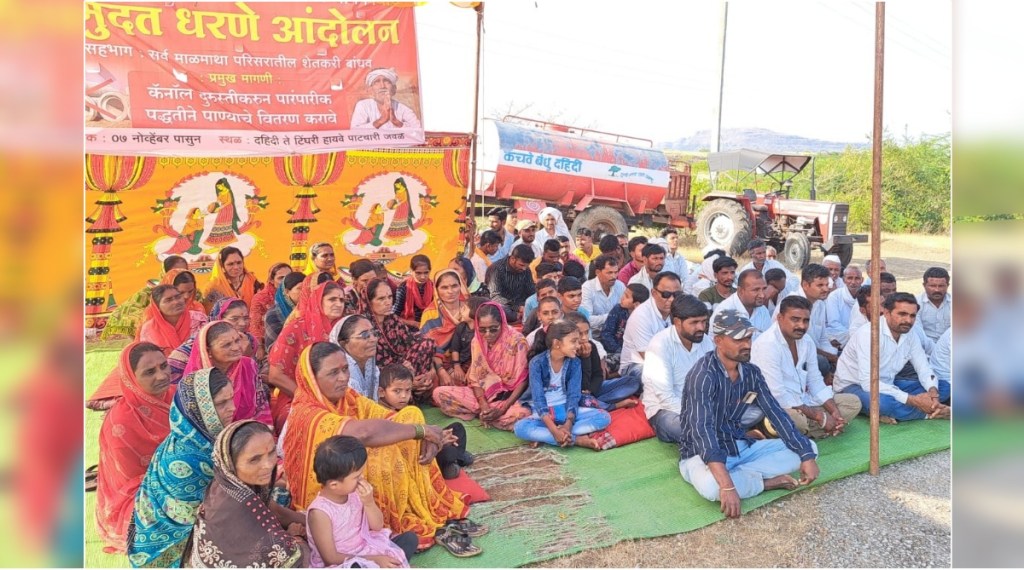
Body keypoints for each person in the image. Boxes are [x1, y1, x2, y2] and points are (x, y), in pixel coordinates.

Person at [283, 342, 480, 553]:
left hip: (354, 466)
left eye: (344, 369)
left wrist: (429, 436)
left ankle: (419, 503)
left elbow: (388, 417)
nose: (343, 377)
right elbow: (364, 433)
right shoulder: (307, 412)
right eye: (333, 373)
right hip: (331, 489)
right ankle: (392, 521)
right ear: (313, 379)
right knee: (383, 451)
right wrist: (421, 432)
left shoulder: (347, 397)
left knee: (411, 415)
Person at [677, 311, 820, 516]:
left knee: (810, 449)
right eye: (739, 339)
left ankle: (741, 478)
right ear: (718, 340)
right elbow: (702, 432)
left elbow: (776, 413)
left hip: (739, 446)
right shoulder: (703, 376)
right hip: (700, 454)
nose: (747, 344)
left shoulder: (751, 372)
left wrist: (805, 455)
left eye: (749, 337)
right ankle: (765, 483)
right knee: (712, 487)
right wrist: (726, 486)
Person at [127, 368, 235, 568]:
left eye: (231, 399)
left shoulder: (195, 435)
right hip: (173, 546)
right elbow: (218, 516)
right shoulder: (188, 459)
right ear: (199, 409)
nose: (232, 408)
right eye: (221, 403)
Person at [190, 420, 308, 567]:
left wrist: (313, 521)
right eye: (254, 459)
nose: (269, 465)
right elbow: (293, 559)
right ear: (231, 463)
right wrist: (296, 536)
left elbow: (276, 511)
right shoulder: (237, 507)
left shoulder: (231, 482)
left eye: (271, 453)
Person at [95, 342, 175, 554]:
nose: (162, 376)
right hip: (144, 491)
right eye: (149, 372)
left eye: (164, 366)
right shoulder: (120, 425)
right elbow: (134, 483)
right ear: (131, 379)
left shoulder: (177, 396)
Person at [751, 296, 862, 438]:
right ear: (780, 318)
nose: (802, 326)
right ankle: (773, 429)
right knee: (797, 421)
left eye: (806, 320)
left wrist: (834, 411)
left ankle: (802, 432)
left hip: (802, 401)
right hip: (776, 406)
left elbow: (815, 380)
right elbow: (778, 395)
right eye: (795, 319)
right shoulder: (767, 345)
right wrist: (819, 416)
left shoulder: (806, 341)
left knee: (852, 403)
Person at [833, 292, 951, 422]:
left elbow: (924, 368)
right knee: (882, 403)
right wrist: (913, 400)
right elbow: (868, 383)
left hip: (888, 383)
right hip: (855, 386)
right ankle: (931, 413)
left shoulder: (909, 333)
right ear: (886, 312)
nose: (908, 320)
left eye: (912, 316)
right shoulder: (869, 334)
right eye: (902, 314)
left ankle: (908, 411)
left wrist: (932, 393)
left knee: (944, 386)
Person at [305, 436, 416, 568]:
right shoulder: (320, 513)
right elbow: (330, 558)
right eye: (357, 476)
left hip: (365, 547)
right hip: (343, 561)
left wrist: (369, 503)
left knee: (410, 539)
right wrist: (374, 560)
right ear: (334, 485)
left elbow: (377, 526)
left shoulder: (353, 492)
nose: (361, 478)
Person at [432, 302, 532, 430]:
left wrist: (503, 409)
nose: (488, 334)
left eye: (493, 328)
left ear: (502, 323)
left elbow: (523, 381)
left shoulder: (517, 341)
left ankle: (490, 415)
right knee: (439, 393)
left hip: (508, 399)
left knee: (521, 415)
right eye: (482, 329)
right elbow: (475, 378)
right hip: (483, 395)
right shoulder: (477, 341)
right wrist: (483, 404)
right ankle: (486, 414)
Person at [514, 320, 612, 449]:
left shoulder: (575, 362)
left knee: (604, 417)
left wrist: (568, 425)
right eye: (573, 341)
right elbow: (538, 400)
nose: (578, 345)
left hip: (565, 410)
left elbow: (573, 396)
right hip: (544, 413)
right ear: (557, 343)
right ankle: (576, 440)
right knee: (520, 428)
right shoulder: (537, 363)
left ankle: (550, 436)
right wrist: (554, 430)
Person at [268, 281, 347, 432]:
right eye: (332, 299)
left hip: (340, 393)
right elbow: (275, 375)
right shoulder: (296, 327)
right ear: (318, 300)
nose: (339, 304)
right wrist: (311, 398)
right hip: (299, 396)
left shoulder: (343, 328)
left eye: (342, 300)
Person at [641, 294, 714, 444]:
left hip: (703, 408)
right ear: (677, 322)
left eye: (704, 322)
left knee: (752, 410)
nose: (701, 327)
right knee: (684, 427)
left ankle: (718, 432)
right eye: (694, 322)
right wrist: (701, 416)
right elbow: (666, 397)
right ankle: (724, 434)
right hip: (668, 411)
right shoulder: (660, 345)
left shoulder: (705, 340)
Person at [377, 365, 471, 481]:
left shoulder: (405, 408)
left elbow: (422, 431)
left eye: (408, 391)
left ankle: (454, 459)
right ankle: (453, 460)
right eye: (397, 391)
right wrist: (438, 442)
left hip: (425, 447)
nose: (403, 396)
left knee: (457, 429)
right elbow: (406, 448)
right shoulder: (380, 414)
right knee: (447, 450)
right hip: (412, 461)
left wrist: (437, 435)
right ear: (381, 392)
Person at [364, 279, 446, 401]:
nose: (388, 302)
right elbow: (373, 367)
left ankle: (416, 389)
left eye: (390, 297)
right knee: (401, 368)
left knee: (427, 343)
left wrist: (431, 369)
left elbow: (412, 341)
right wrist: (405, 370)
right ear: (369, 302)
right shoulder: (364, 326)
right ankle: (406, 392)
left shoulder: (392, 320)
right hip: (383, 376)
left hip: (405, 368)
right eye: (381, 299)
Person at [181, 320, 273, 426]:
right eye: (226, 345)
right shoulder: (197, 379)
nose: (236, 348)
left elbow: (260, 407)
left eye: (237, 341)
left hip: (248, 432)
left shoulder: (248, 365)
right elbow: (194, 421)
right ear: (209, 351)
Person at [566, 312, 640, 412]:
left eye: (586, 332)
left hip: (591, 390)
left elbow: (598, 375)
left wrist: (590, 391)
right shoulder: (566, 352)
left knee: (633, 382)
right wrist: (585, 358)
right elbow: (578, 385)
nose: (584, 338)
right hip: (574, 393)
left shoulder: (591, 345)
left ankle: (593, 402)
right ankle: (611, 405)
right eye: (580, 334)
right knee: (578, 398)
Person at [101, 256, 188, 340]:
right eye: (175, 271)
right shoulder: (150, 291)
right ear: (165, 272)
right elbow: (123, 313)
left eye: (184, 271)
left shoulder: (192, 290)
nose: (180, 274)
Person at [776, 264, 838, 380]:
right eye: (820, 285)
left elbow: (823, 338)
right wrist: (831, 357)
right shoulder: (790, 303)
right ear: (805, 285)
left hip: (815, 352)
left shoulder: (820, 304)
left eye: (826, 284)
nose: (825, 289)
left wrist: (834, 355)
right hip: (793, 355)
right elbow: (795, 343)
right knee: (822, 363)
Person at [620, 272, 681, 377]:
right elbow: (649, 357)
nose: (672, 299)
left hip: (668, 361)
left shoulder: (680, 310)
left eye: (677, 295)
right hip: (636, 366)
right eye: (666, 294)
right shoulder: (641, 316)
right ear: (653, 293)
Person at [419, 270, 473, 377]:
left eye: (454, 286)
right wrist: (441, 371)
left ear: (460, 286)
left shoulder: (471, 309)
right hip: (441, 362)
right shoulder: (430, 314)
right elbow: (429, 346)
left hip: (472, 358)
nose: (450, 291)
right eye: (444, 287)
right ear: (436, 290)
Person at [137, 284, 208, 355]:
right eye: (168, 300)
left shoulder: (199, 319)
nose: (176, 302)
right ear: (157, 306)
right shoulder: (149, 329)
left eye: (178, 297)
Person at [350, 67, 421, 130]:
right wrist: (381, 120)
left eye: (387, 82)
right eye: (377, 82)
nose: (382, 86)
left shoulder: (403, 109)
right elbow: (355, 131)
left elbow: (419, 132)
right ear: (370, 90)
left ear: (394, 89)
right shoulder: (363, 105)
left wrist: (396, 122)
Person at [711, 269, 772, 339]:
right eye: (756, 290)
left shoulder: (763, 310)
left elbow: (767, 339)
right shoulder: (725, 310)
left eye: (764, 289)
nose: (762, 295)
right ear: (740, 291)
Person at [487, 244, 536, 323]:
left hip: (522, 305)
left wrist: (527, 305)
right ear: (513, 259)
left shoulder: (526, 270)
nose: (524, 269)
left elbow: (531, 291)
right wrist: (517, 308)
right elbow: (495, 296)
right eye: (521, 265)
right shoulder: (496, 269)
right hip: (505, 306)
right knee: (501, 310)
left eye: (526, 266)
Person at [203, 246, 263, 312]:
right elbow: (210, 313)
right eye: (230, 264)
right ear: (222, 266)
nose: (236, 267)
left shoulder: (252, 281)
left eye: (239, 262)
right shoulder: (213, 287)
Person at [599, 283, 648, 361]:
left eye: (627, 297)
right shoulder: (618, 309)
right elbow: (606, 333)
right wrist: (618, 350)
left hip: (633, 353)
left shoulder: (643, 318)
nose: (622, 298)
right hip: (613, 349)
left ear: (636, 304)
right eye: (624, 294)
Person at [250, 263, 292, 351]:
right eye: (281, 278)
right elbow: (255, 324)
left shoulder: (294, 295)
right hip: (268, 343)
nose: (285, 281)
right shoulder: (261, 298)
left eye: (289, 277)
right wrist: (259, 347)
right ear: (272, 280)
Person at [581, 254, 626, 333]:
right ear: (598, 272)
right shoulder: (587, 288)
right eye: (609, 273)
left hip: (616, 332)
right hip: (595, 335)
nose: (614, 276)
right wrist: (612, 316)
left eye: (616, 272)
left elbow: (624, 313)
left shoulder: (620, 286)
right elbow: (587, 319)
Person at [446, 297, 485, 385]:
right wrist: (456, 366)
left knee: (471, 378)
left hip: (474, 363)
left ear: (474, 312)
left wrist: (471, 371)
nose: (461, 310)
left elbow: (479, 356)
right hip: (459, 361)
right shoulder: (461, 327)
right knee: (449, 372)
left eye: (465, 308)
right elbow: (455, 348)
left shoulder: (481, 332)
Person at [824, 264, 864, 348]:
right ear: (844, 280)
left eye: (857, 278)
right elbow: (833, 322)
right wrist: (851, 334)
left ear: (862, 280)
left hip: (859, 332)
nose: (853, 282)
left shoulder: (866, 296)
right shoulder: (835, 296)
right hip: (841, 333)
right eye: (849, 278)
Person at [264, 271, 307, 351]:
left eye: (306, 289)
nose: (304, 292)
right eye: (299, 289)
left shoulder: (311, 309)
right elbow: (272, 346)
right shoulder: (274, 314)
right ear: (287, 292)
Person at [393, 255, 434, 329]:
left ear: (430, 271)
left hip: (429, 325)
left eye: (426, 273)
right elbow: (394, 316)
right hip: (408, 327)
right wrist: (413, 323)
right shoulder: (404, 288)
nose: (423, 277)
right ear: (411, 271)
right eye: (418, 273)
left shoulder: (434, 287)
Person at [917, 267, 951, 342]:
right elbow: (918, 332)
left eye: (941, 286)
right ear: (924, 285)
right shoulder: (916, 303)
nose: (937, 290)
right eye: (932, 286)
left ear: (947, 285)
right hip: (923, 346)